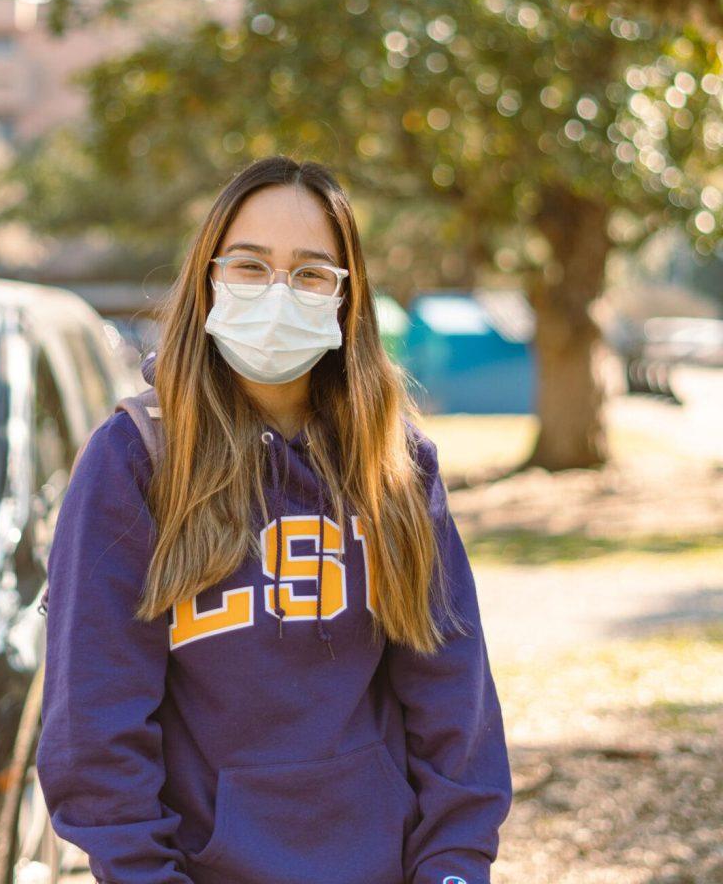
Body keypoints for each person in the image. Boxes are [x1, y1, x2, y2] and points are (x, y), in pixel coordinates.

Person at [36, 155, 513, 884]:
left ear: (347, 300)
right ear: (209, 280)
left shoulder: (394, 462)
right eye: (251, 267)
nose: (279, 293)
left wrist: (453, 865)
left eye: (312, 273)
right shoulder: (136, 459)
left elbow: (455, 696)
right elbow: (93, 724)